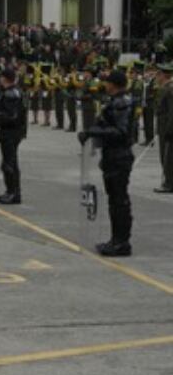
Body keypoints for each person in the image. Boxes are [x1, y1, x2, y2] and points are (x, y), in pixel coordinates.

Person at [79, 70, 136, 257]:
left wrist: (94, 132)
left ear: (114, 84)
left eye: (108, 82)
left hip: (119, 155)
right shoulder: (116, 101)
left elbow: (121, 132)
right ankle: (116, 239)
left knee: (119, 200)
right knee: (115, 200)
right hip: (112, 155)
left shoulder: (121, 103)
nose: (105, 85)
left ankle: (122, 242)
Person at [0, 68, 26, 205]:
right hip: (8, 131)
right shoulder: (8, 92)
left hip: (11, 131)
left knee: (9, 164)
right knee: (8, 163)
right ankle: (11, 190)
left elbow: (12, 116)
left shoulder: (11, 93)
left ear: (4, 78)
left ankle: (14, 193)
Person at [155, 63, 173, 194]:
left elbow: (171, 111)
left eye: (158, 74)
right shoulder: (165, 88)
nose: (157, 77)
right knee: (166, 155)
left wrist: (169, 129)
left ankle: (169, 183)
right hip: (163, 125)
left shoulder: (169, 89)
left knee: (167, 156)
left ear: (164, 75)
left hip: (167, 127)